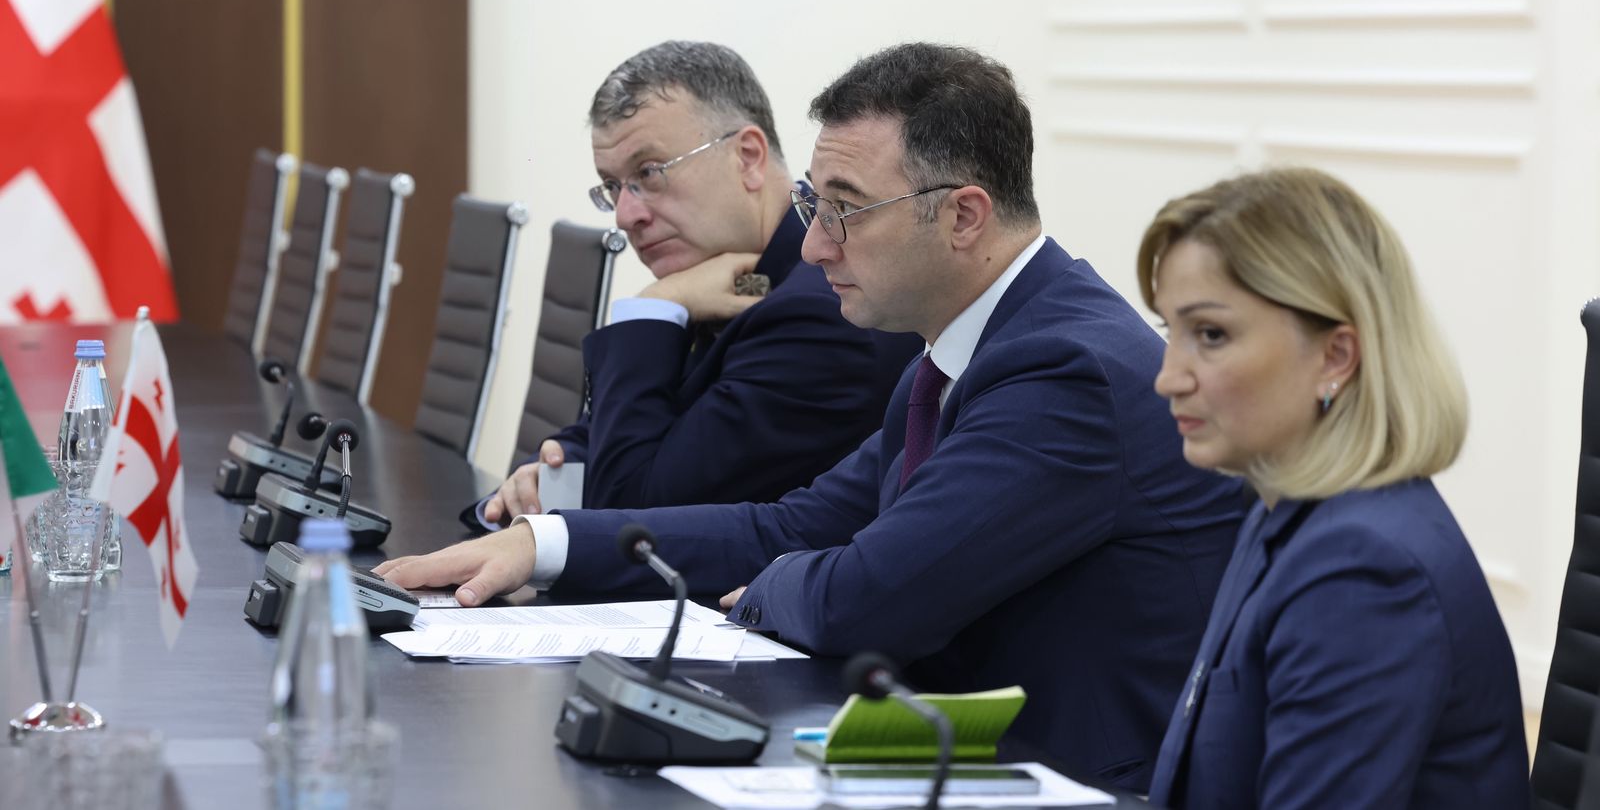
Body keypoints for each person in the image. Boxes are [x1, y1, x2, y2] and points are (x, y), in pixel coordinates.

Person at [383, 43, 1244, 790]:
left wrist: (771, 584)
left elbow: (867, 598)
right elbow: (795, 525)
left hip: (1073, 781)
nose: (816, 244)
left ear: (963, 215)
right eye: (812, 207)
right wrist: (544, 544)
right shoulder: (957, 351)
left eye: (844, 210)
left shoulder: (1062, 371)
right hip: (963, 756)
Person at [1138, 168, 1528, 808]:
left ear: (1336, 356)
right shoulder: (1283, 508)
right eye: (1168, 333)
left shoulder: (1361, 569)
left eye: (1210, 335)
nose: (1168, 377)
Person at [472, 41, 919, 525]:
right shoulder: (745, 278)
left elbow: (630, 515)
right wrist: (550, 469)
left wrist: (654, 305)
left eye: (649, 172)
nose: (625, 215)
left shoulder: (823, 314)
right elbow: (628, 430)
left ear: (747, 157)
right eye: (613, 187)